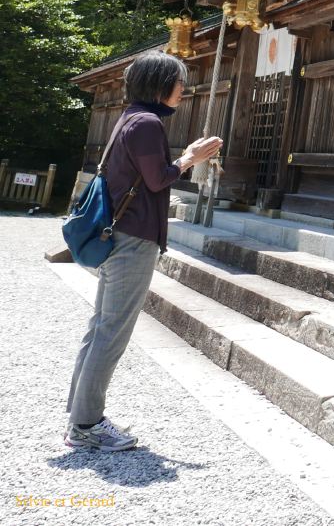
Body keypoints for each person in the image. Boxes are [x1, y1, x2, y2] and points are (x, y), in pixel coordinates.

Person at [64, 51, 222, 451]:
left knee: (101, 325)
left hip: (118, 234)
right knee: (112, 331)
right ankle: (86, 425)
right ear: (158, 84)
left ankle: (80, 416)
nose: (183, 90)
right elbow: (157, 180)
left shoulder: (130, 118)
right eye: (179, 83)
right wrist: (190, 158)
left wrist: (182, 158)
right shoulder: (148, 123)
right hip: (133, 239)